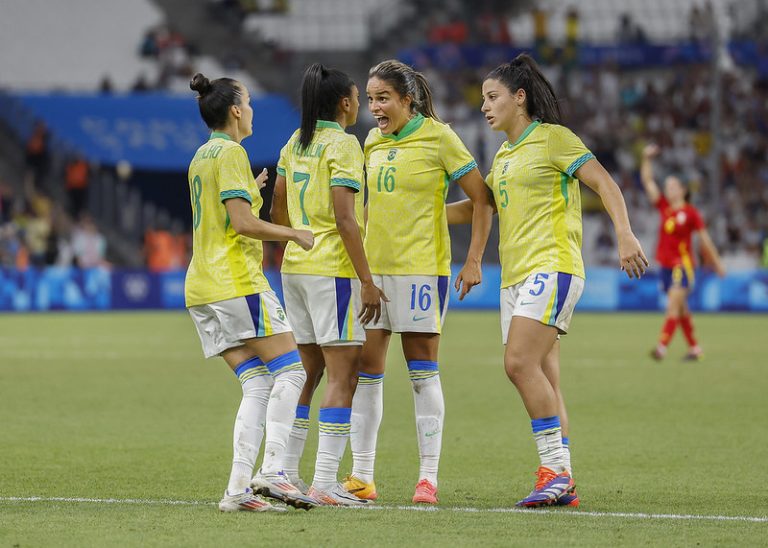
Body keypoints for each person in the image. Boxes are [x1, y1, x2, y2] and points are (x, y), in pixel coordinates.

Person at [449, 53, 648, 508]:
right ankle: (565, 480)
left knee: (518, 364)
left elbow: (605, 184)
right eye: (483, 98)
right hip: (515, 277)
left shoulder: (555, 139)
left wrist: (624, 234)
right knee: (547, 378)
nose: (484, 106)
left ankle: (553, 472)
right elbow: (479, 208)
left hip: (552, 266)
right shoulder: (503, 156)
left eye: (492, 97)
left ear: (519, 98)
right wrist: (423, 216)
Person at [343, 59, 494, 505]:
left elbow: (481, 199)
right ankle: (362, 476)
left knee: (421, 373)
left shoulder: (439, 137)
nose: (374, 109)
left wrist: (473, 260)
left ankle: (428, 478)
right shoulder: (370, 141)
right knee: (365, 373)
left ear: (408, 99)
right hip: (374, 273)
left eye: (383, 98)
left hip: (422, 271)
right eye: (370, 99)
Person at [185, 72, 317, 513]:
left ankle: (238, 491)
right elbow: (242, 224)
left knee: (258, 383)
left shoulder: (203, 156)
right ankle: (275, 470)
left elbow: (224, 215)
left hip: (202, 288)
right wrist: (291, 232)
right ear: (236, 110)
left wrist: (252, 193)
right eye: (250, 102)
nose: (254, 109)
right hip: (235, 283)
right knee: (293, 371)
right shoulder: (231, 153)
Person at [269, 63, 386, 506]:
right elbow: (344, 219)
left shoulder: (293, 143)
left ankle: (285, 470)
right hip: (331, 271)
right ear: (344, 103)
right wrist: (368, 281)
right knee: (344, 374)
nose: (362, 105)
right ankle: (324, 482)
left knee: (308, 371)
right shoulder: (343, 144)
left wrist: (295, 236)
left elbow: (277, 204)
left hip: (294, 268)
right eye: (359, 98)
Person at [641, 144, 725, 361]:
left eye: (672, 185)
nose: (667, 189)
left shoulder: (691, 213)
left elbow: (705, 239)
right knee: (681, 309)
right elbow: (648, 182)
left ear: (683, 190)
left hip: (683, 265)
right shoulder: (664, 208)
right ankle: (695, 348)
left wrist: (716, 263)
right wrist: (646, 158)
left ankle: (661, 347)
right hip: (665, 266)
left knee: (672, 306)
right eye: (667, 186)